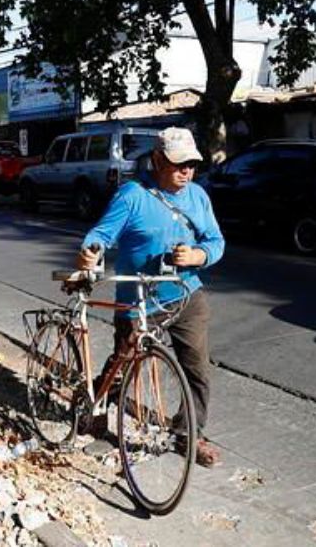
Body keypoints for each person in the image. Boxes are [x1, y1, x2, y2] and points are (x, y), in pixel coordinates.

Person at [76, 127, 226, 467]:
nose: (186, 172)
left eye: (192, 165)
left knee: (197, 371)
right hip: (138, 299)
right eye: (178, 164)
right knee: (123, 364)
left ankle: (188, 434)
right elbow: (101, 234)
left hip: (186, 294)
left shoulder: (198, 196)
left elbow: (216, 241)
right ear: (157, 160)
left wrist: (198, 256)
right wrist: (90, 252)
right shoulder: (132, 195)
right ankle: (96, 405)